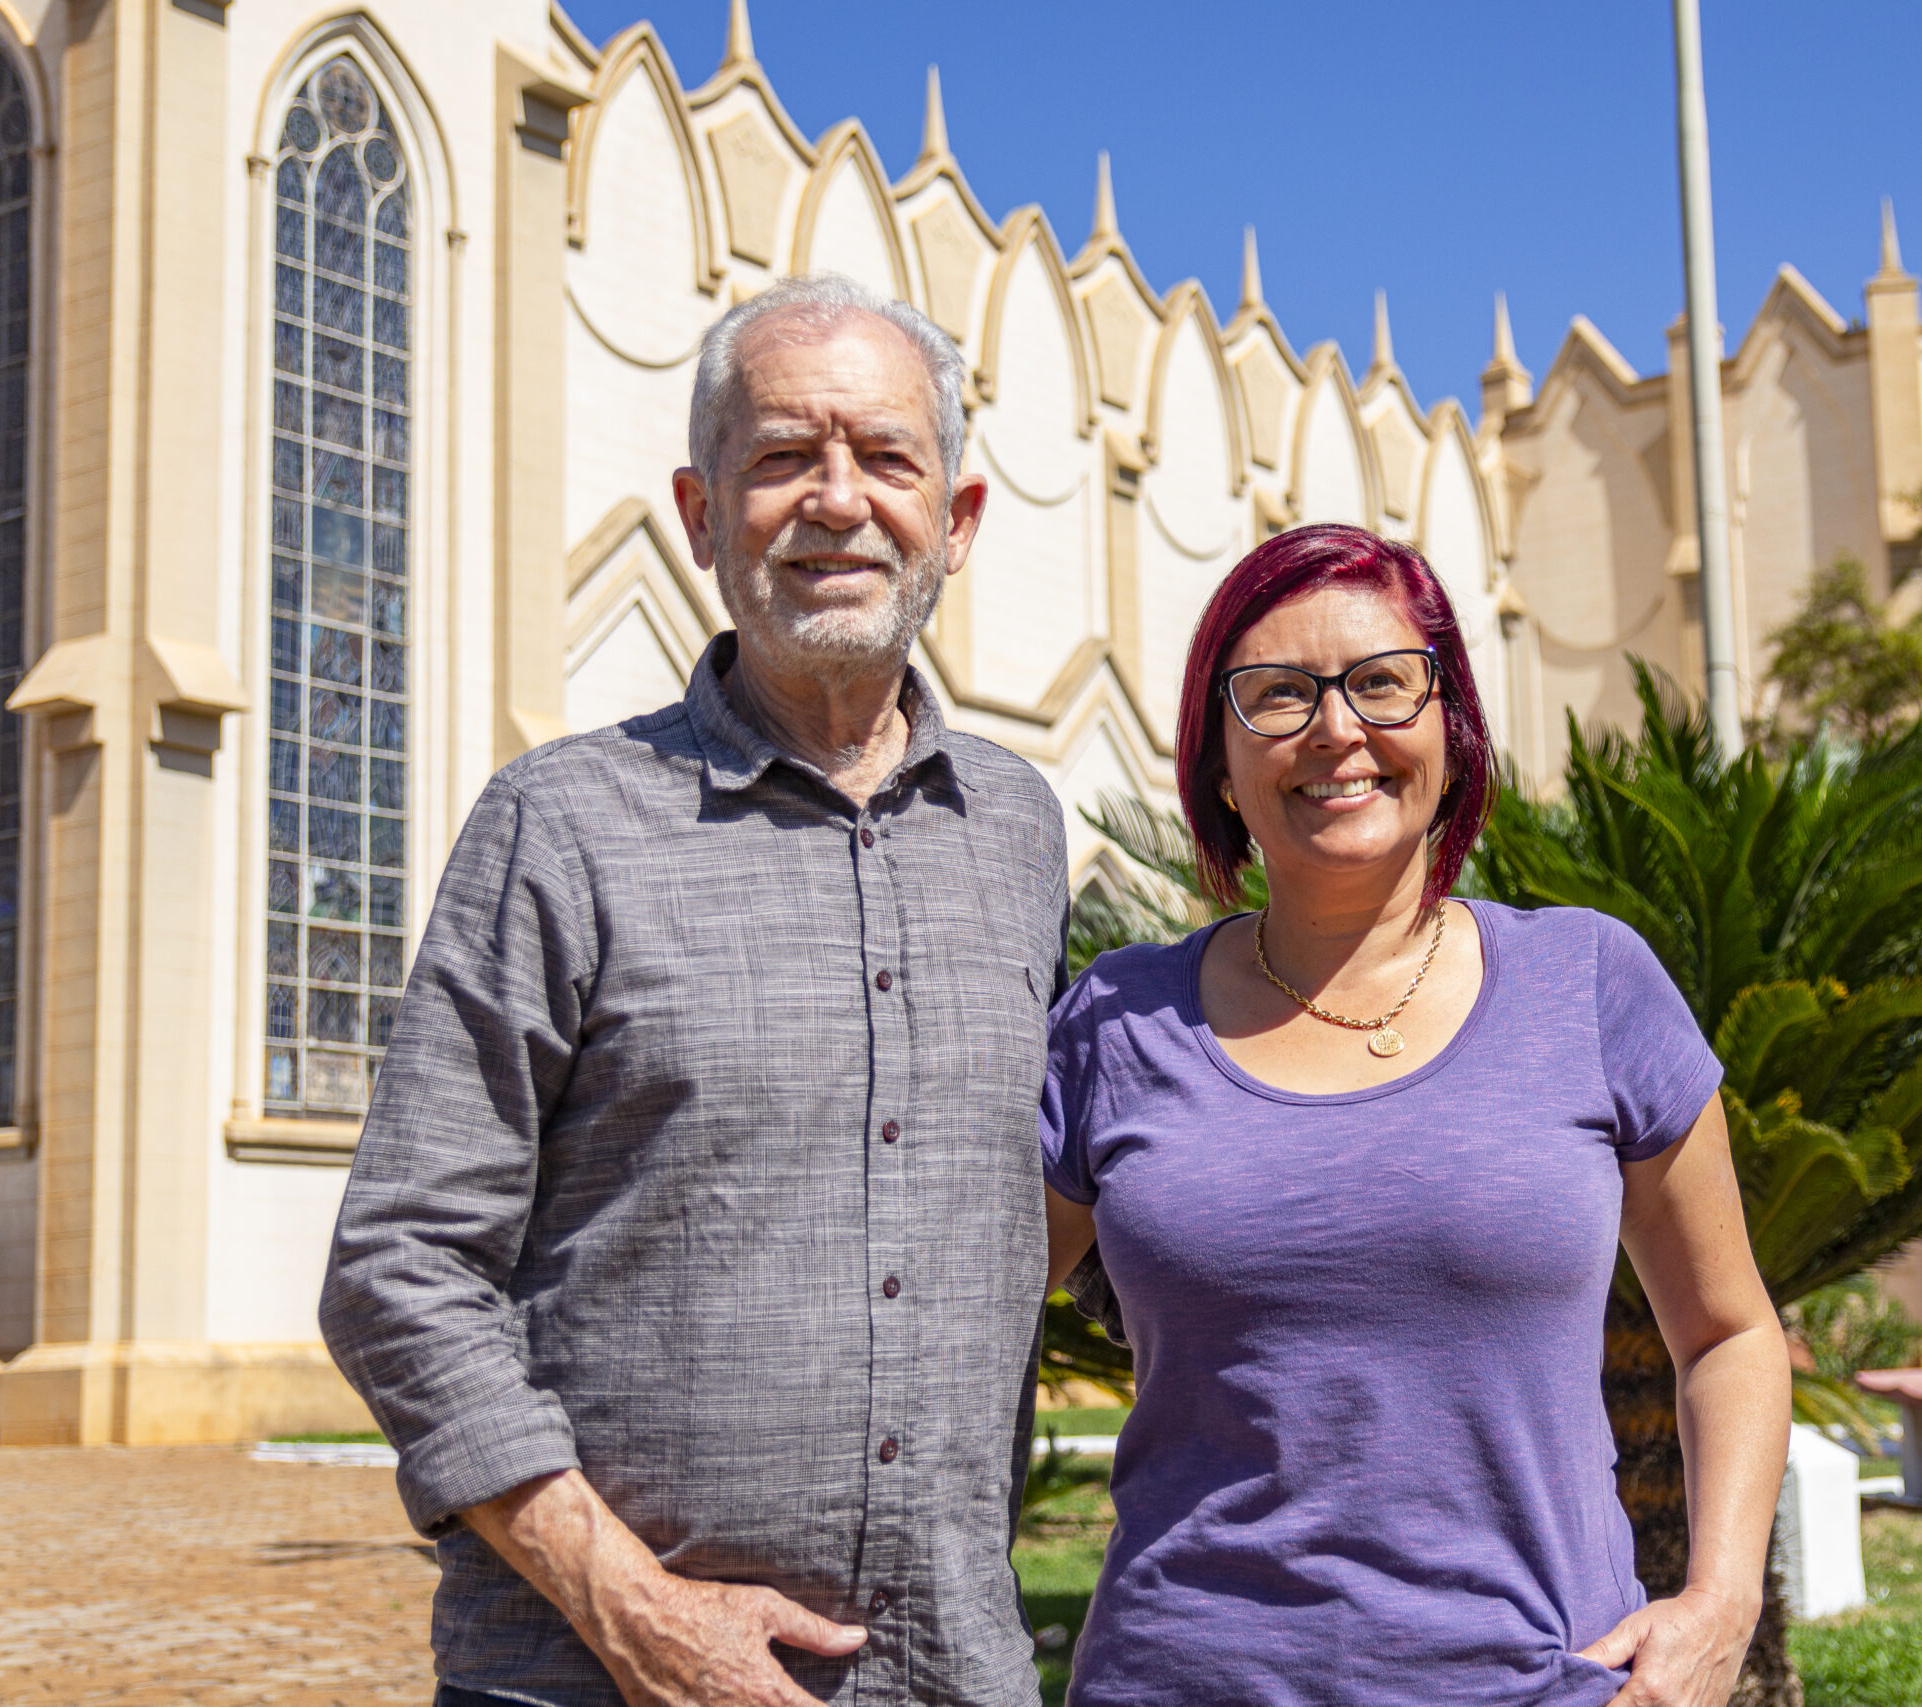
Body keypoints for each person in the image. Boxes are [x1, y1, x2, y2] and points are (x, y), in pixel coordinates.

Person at [320, 273, 1067, 1707]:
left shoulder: (1020, 833)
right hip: (596, 1674)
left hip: (951, 1672)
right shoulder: (563, 822)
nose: (837, 500)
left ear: (956, 523)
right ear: (702, 512)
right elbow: (402, 1260)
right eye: (782, 455)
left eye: (888, 458)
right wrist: (636, 1609)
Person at [1041, 523, 1791, 1707]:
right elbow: (946, 1331)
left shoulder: (1589, 984)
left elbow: (1730, 1334)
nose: (1336, 729)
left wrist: (1721, 1606)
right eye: (1276, 695)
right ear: (1219, 762)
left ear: (1452, 728)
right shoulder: (1115, 1022)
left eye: (1383, 683)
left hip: (1541, 1683)